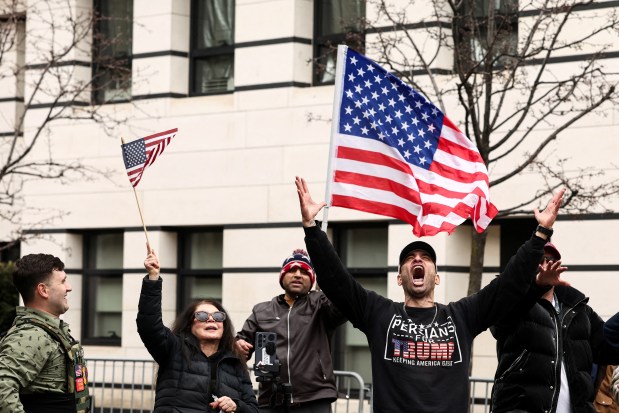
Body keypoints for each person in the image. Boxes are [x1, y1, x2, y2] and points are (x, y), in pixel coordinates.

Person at [294, 176, 567, 413]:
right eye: (410, 257)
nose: (417, 259)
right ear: (400, 278)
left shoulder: (462, 316)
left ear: (435, 276)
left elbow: (507, 286)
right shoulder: (378, 313)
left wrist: (540, 234)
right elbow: (336, 281)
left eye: (425, 257)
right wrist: (312, 230)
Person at [490, 242, 619, 413]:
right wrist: (537, 286)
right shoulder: (511, 300)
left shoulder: (578, 309)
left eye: (550, 260)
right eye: (538, 259)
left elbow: (608, 347)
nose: (545, 265)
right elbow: (498, 322)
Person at [137, 247, 259, 413]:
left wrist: (236, 406)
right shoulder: (173, 348)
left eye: (218, 316)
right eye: (202, 316)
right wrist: (153, 278)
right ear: (190, 324)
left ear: (224, 325)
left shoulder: (235, 361)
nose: (211, 319)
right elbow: (148, 324)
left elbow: (253, 409)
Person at [235, 248, 347, 413]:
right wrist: (238, 345)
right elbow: (240, 342)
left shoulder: (320, 304)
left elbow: (344, 306)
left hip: (314, 398)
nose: (297, 274)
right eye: (292, 270)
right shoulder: (262, 310)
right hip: (270, 400)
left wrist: (326, 277)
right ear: (282, 276)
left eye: (304, 271)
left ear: (312, 279)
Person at [0, 253, 91, 413]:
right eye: (63, 281)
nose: (69, 287)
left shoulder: (47, 331)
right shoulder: (33, 334)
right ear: (43, 290)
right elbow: (2, 385)